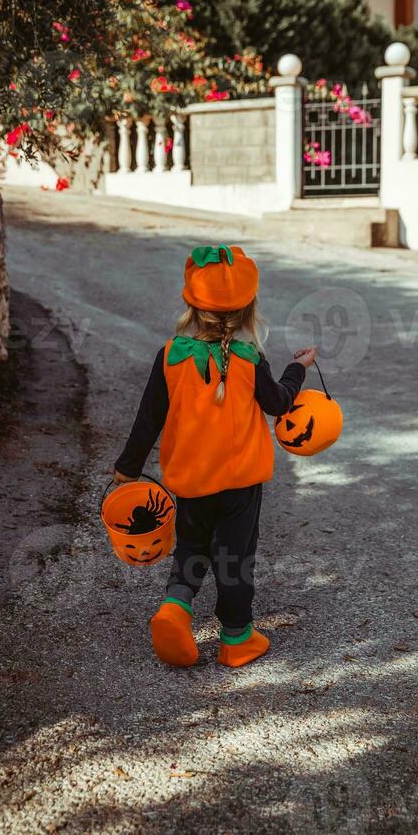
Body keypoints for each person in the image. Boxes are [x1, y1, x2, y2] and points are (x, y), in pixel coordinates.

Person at [113, 244, 317, 668]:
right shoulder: (249, 358)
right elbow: (278, 404)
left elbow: (147, 419)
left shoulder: (170, 356)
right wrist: (298, 369)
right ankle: (237, 638)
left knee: (191, 547)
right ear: (248, 310)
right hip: (240, 483)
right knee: (234, 556)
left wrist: (126, 469)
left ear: (189, 304)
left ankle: (175, 608)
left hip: (190, 480)